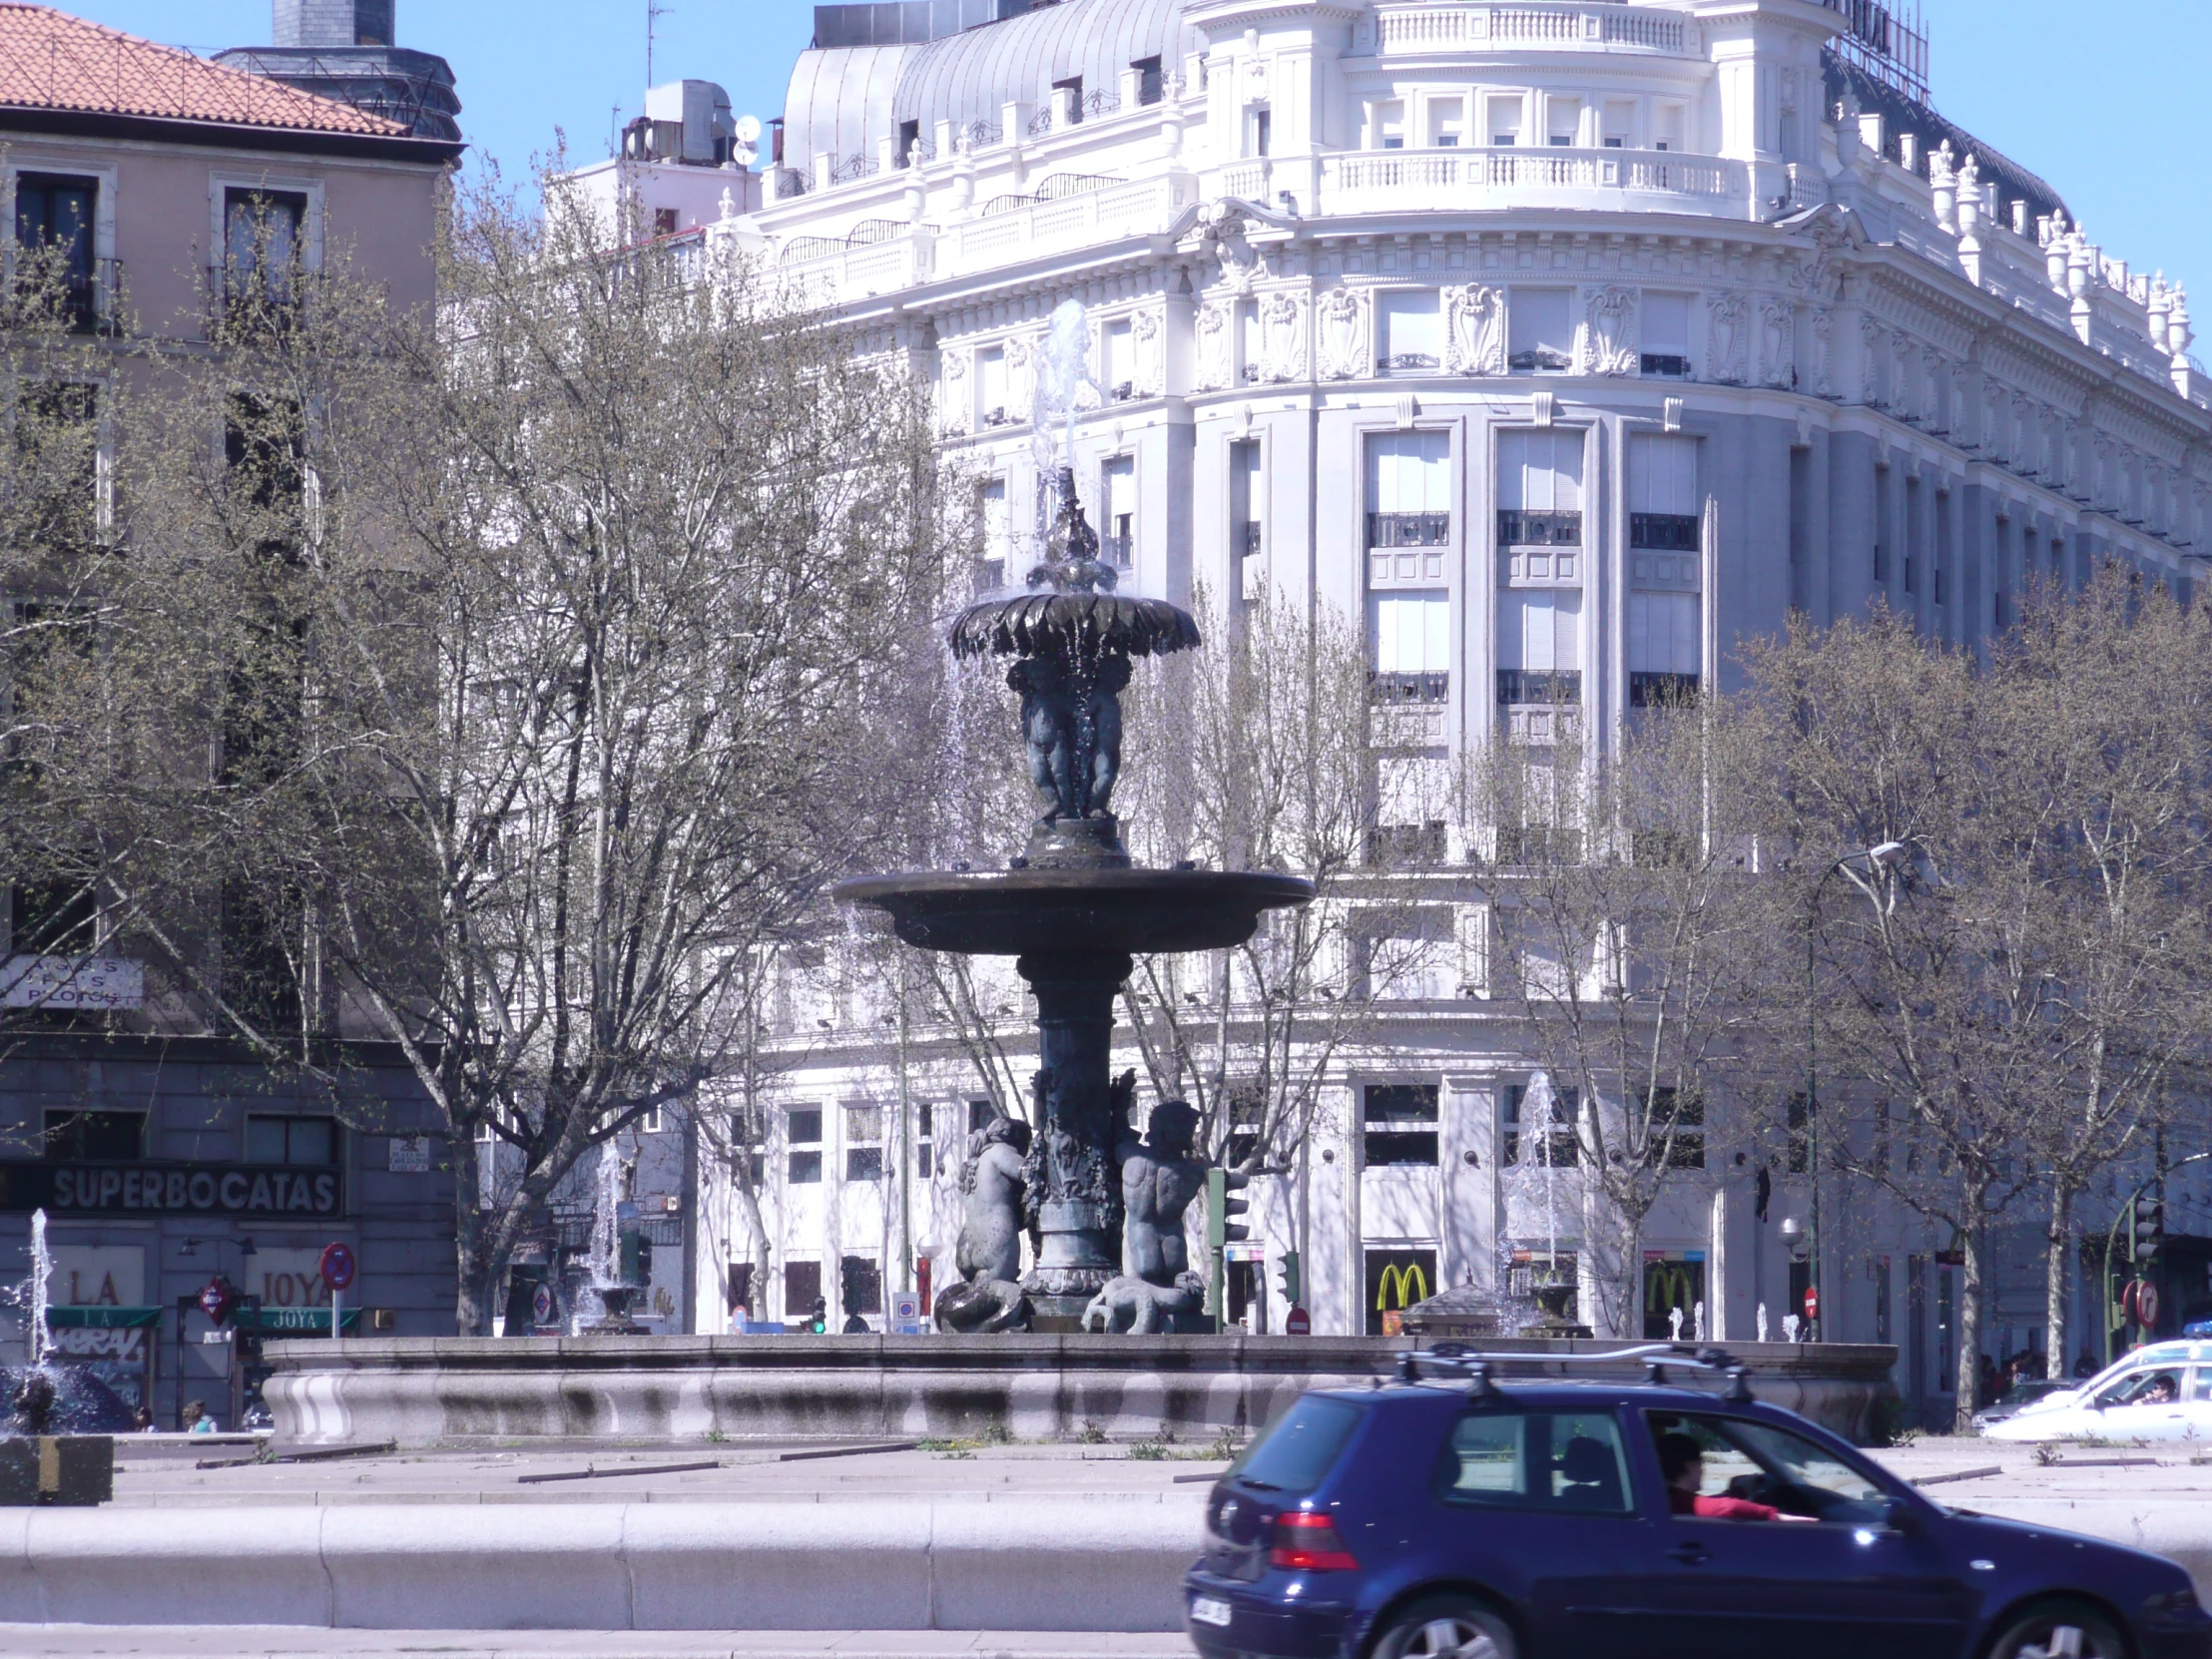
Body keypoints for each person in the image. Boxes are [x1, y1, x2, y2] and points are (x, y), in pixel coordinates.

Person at [1655, 1431, 1814, 1522]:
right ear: (1688, 1465)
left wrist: (1731, 1494)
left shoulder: (1660, 1495)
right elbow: (1728, 1508)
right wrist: (1775, 1515)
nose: (1703, 1469)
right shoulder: (1677, 1500)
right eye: (1700, 1462)